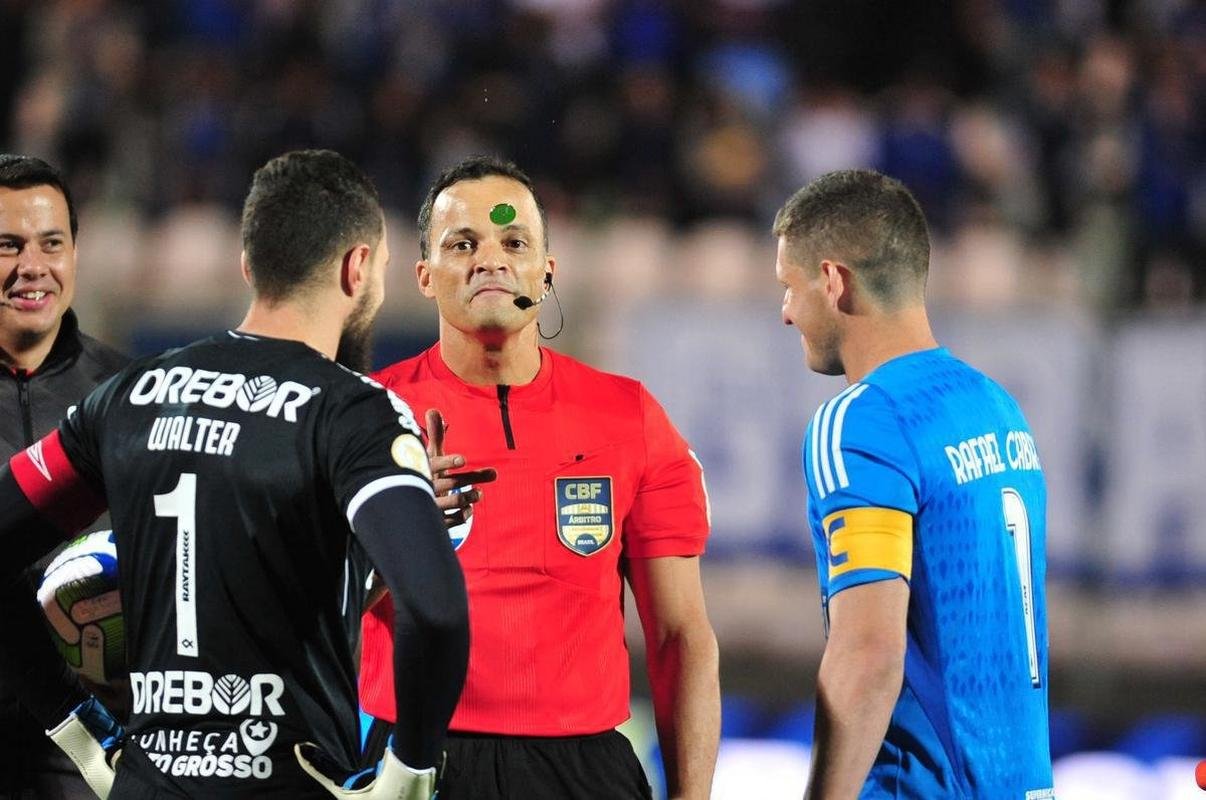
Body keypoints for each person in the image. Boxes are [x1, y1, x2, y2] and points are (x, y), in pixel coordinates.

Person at [0, 149, 469, 799]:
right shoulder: (354, 412)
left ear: (249, 266)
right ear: (358, 268)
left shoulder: (130, 395)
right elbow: (437, 612)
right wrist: (409, 774)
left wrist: (78, 729)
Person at [359, 156, 720, 800]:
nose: (491, 260)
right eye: (463, 244)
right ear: (423, 276)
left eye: (514, 242)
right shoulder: (363, 414)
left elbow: (679, 635)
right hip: (413, 763)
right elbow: (309, 615)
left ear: (546, 272)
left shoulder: (628, 417)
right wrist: (397, 539)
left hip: (584, 772)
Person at [773, 169, 1053, 799]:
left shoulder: (862, 420)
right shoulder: (995, 406)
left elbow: (869, 652)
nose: (786, 313)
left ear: (832, 280)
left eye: (789, 288)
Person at [0, 154, 129, 800]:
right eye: (7, 245)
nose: (33, 267)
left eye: (52, 243)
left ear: (76, 254)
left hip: (93, 753)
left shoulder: (133, 394)